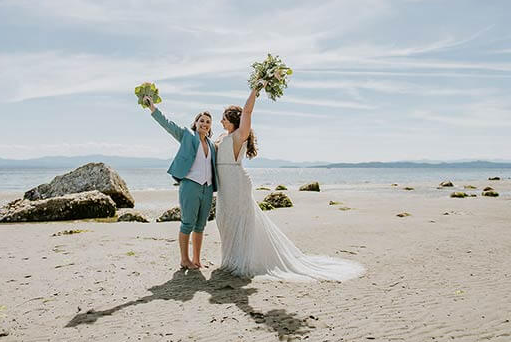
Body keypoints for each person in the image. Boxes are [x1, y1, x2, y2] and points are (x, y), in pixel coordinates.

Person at [214, 87, 365, 281]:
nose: (221, 121)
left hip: (237, 182)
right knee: (224, 220)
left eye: (224, 118)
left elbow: (248, 112)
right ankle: (230, 259)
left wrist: (254, 91)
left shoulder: (239, 135)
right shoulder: (221, 137)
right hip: (225, 185)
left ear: (233, 120)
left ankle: (241, 261)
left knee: (239, 221)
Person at [143, 95, 218, 270]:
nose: (204, 124)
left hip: (207, 189)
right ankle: (184, 260)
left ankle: (197, 260)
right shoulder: (187, 135)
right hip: (190, 185)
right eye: (201, 120)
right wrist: (152, 108)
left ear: (210, 126)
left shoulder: (212, 144)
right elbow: (168, 125)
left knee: (201, 225)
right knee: (187, 223)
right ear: (196, 122)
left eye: (208, 122)